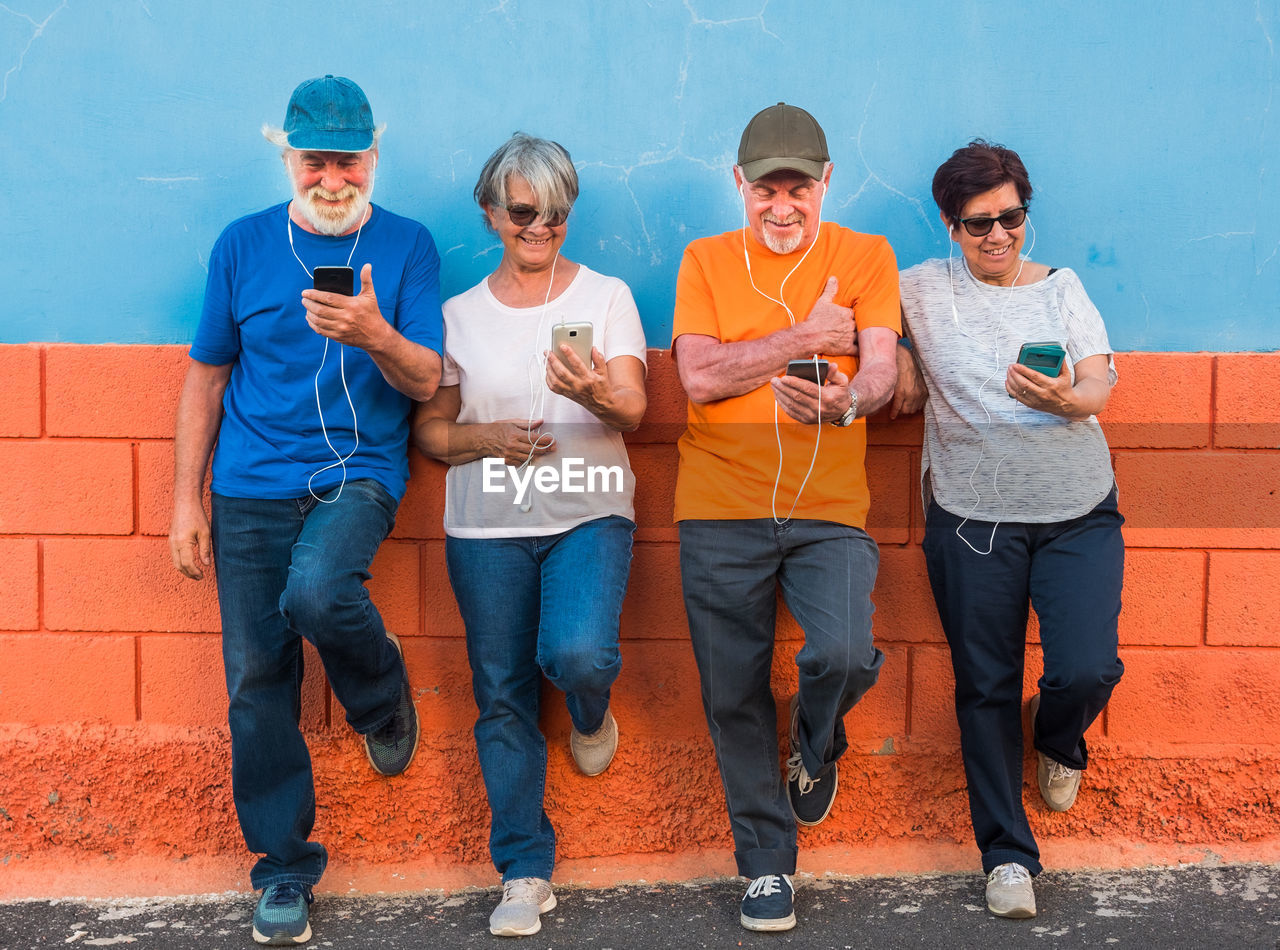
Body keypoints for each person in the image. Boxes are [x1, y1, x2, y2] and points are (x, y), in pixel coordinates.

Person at [168, 76, 443, 946]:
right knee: (256, 684)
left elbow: (429, 378)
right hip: (248, 485)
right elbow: (207, 376)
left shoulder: (407, 247)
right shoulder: (242, 245)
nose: (333, 178)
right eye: (315, 159)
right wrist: (184, 502)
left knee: (321, 592)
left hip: (357, 470)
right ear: (287, 157)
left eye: (349, 159)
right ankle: (284, 869)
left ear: (375, 155)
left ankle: (377, 694)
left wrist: (375, 334)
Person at [671, 102, 900, 933]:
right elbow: (698, 378)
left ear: (825, 183)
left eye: (798, 187)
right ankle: (765, 866)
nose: (782, 206)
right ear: (739, 184)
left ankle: (815, 741)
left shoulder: (867, 256)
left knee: (843, 650)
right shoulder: (704, 261)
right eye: (766, 187)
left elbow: (878, 369)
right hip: (717, 507)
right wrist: (801, 335)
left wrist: (847, 402)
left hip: (829, 508)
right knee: (733, 692)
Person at [412, 133, 647, 938]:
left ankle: (589, 714)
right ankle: (523, 870)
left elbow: (637, 411)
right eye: (522, 211)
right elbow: (432, 433)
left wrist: (595, 395)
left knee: (577, 653)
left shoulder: (608, 297)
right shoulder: (458, 316)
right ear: (492, 213)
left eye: (555, 212)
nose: (539, 226)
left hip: (587, 509)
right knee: (502, 695)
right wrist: (489, 440)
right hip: (485, 526)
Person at [892, 139, 1125, 919]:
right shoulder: (919, 291)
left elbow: (1098, 378)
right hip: (972, 517)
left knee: (1089, 667)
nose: (997, 236)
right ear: (950, 226)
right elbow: (865, 334)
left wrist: (1069, 399)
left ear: (1026, 212)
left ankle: (1058, 737)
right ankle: (1006, 856)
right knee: (985, 686)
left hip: (1077, 508)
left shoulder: (1062, 287)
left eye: (1011, 217)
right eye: (977, 223)